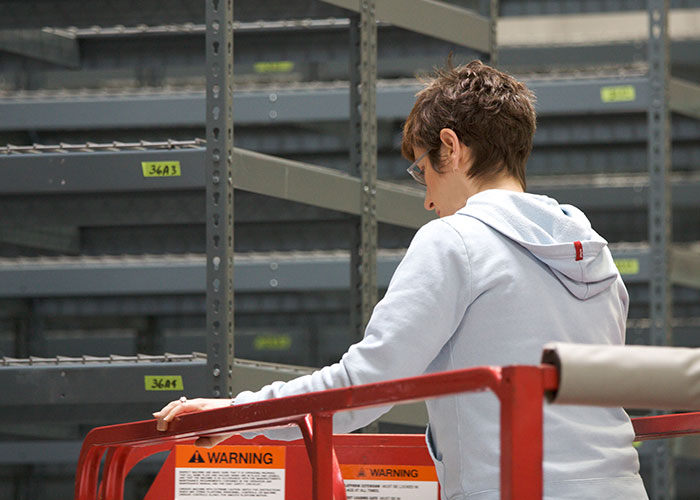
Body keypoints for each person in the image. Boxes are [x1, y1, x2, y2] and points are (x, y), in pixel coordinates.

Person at [155, 60, 648, 499]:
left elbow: (362, 387)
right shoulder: (595, 254)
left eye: (422, 172)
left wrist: (234, 417)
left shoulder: (457, 240)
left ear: (450, 148)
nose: (428, 200)